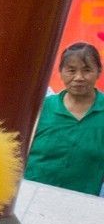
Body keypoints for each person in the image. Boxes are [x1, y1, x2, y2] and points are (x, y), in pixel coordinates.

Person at [24, 43, 104, 196]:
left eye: (87, 70)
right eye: (71, 70)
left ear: (98, 72)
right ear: (60, 72)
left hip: (83, 204)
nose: (79, 78)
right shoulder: (41, 107)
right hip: (31, 197)